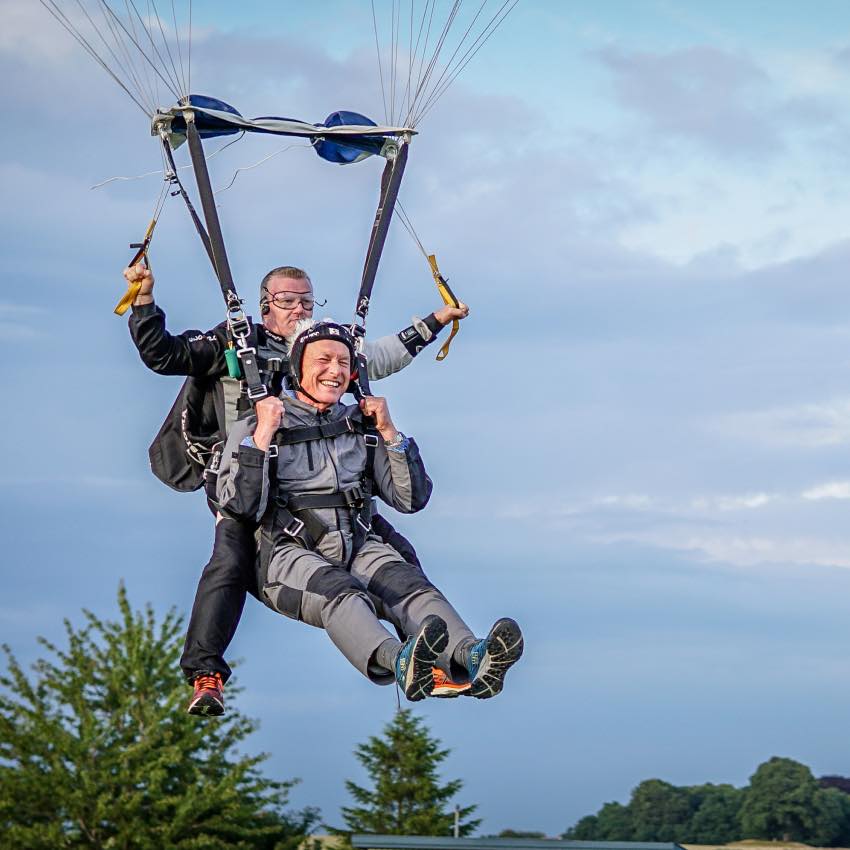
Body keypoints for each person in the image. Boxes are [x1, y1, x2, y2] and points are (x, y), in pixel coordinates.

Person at [124, 262, 469, 713]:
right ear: (266, 305)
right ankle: (205, 670)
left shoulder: (326, 348)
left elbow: (383, 355)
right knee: (230, 561)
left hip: (317, 488)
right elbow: (164, 355)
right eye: (288, 300)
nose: (299, 307)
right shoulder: (235, 341)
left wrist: (437, 320)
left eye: (307, 300)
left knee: (399, 556)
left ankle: (430, 656)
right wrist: (143, 299)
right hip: (243, 478)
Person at [216, 318, 523, 700]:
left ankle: (472, 656)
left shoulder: (360, 426)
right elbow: (239, 508)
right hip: (286, 553)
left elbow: (410, 500)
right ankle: (399, 659)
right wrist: (262, 436)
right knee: (342, 592)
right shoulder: (257, 424)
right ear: (297, 368)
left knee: (409, 586)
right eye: (323, 360)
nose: (335, 371)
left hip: (357, 542)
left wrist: (391, 434)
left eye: (344, 363)